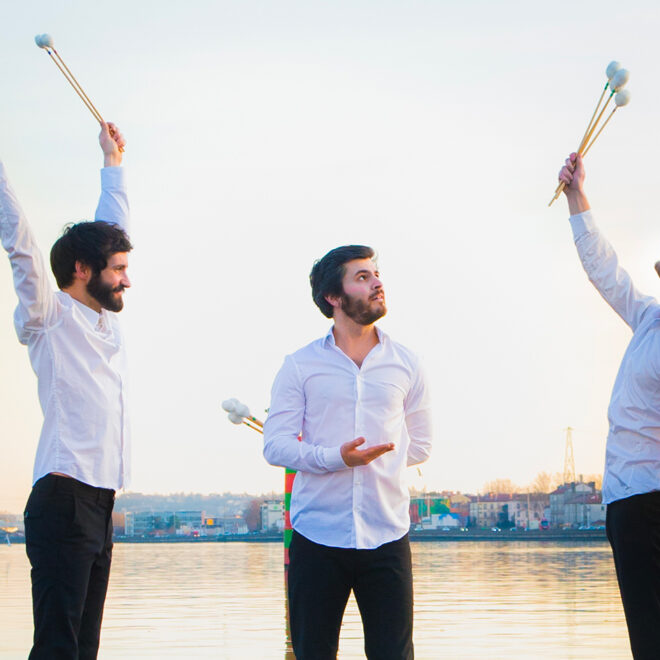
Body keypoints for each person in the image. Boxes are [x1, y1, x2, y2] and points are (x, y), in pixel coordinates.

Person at [0, 122, 131, 660]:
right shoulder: (48, 317)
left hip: (100, 502)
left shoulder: (103, 322)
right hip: (63, 501)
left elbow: (112, 231)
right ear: (81, 270)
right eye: (118, 270)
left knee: (84, 648)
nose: (127, 279)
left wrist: (112, 164)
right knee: (58, 646)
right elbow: (21, 245)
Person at [263, 245, 432, 660]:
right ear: (333, 297)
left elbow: (422, 445)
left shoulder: (407, 363)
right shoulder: (300, 365)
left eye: (376, 274)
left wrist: (378, 463)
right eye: (362, 277)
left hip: (387, 533)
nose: (377, 283)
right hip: (317, 536)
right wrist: (336, 459)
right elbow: (275, 444)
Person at [559, 153, 660, 659]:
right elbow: (605, 269)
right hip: (629, 500)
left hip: (650, 501)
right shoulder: (650, 317)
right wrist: (577, 196)